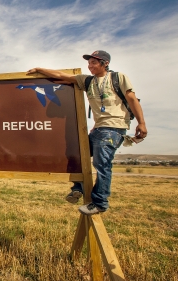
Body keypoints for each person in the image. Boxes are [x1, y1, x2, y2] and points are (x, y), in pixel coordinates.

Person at [27, 50, 147, 215]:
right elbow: (63, 75)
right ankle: (78, 188)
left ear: (105, 63)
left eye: (94, 63)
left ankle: (99, 203)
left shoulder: (118, 78)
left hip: (114, 127)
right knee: (77, 154)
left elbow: (132, 98)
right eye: (89, 63)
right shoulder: (87, 81)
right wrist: (40, 70)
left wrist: (141, 123)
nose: (90, 66)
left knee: (102, 164)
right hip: (98, 129)